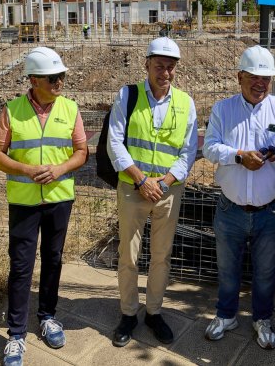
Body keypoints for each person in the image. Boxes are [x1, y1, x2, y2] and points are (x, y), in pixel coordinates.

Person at [0, 46, 88, 366]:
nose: (60, 81)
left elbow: (81, 152)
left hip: (59, 198)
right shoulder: (11, 110)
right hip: (24, 201)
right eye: (52, 77)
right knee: (20, 266)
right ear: (33, 80)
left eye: (61, 76)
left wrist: (59, 170)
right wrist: (28, 170)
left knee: (54, 259)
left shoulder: (70, 109)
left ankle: (47, 316)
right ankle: (16, 334)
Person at [201, 45, 275, 349]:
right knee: (227, 269)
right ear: (239, 76)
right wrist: (238, 156)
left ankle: (262, 319)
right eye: (253, 77)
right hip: (230, 207)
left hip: (269, 210)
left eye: (266, 79)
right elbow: (209, 148)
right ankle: (227, 314)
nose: (260, 84)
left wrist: (274, 155)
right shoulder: (223, 109)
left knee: (266, 272)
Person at [106, 37, 198, 347]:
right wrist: (141, 179)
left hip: (167, 192)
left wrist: (166, 181)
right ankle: (129, 313)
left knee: (161, 256)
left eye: (170, 67)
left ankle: (154, 312)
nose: (165, 73)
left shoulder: (186, 103)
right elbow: (114, 142)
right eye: (159, 66)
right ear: (146, 65)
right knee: (128, 254)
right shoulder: (127, 96)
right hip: (134, 188)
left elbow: (188, 151)